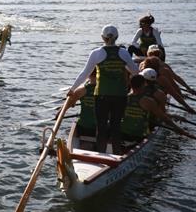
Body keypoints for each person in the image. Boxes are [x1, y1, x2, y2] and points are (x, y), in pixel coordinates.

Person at [66, 25, 138, 154]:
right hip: (120, 95)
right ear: (117, 37)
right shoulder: (124, 53)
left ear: (102, 38)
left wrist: (72, 89)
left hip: (102, 95)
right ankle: (117, 154)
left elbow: (84, 74)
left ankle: (101, 153)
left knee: (101, 126)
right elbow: (135, 72)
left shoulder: (96, 53)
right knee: (116, 126)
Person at [121, 73, 176, 147]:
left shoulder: (123, 98)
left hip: (122, 133)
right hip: (139, 136)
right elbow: (164, 118)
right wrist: (179, 130)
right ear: (143, 85)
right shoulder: (149, 100)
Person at [62, 70, 98, 139]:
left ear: (88, 75)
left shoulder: (80, 91)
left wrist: (59, 112)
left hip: (84, 126)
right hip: (101, 129)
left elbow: (71, 104)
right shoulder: (106, 91)